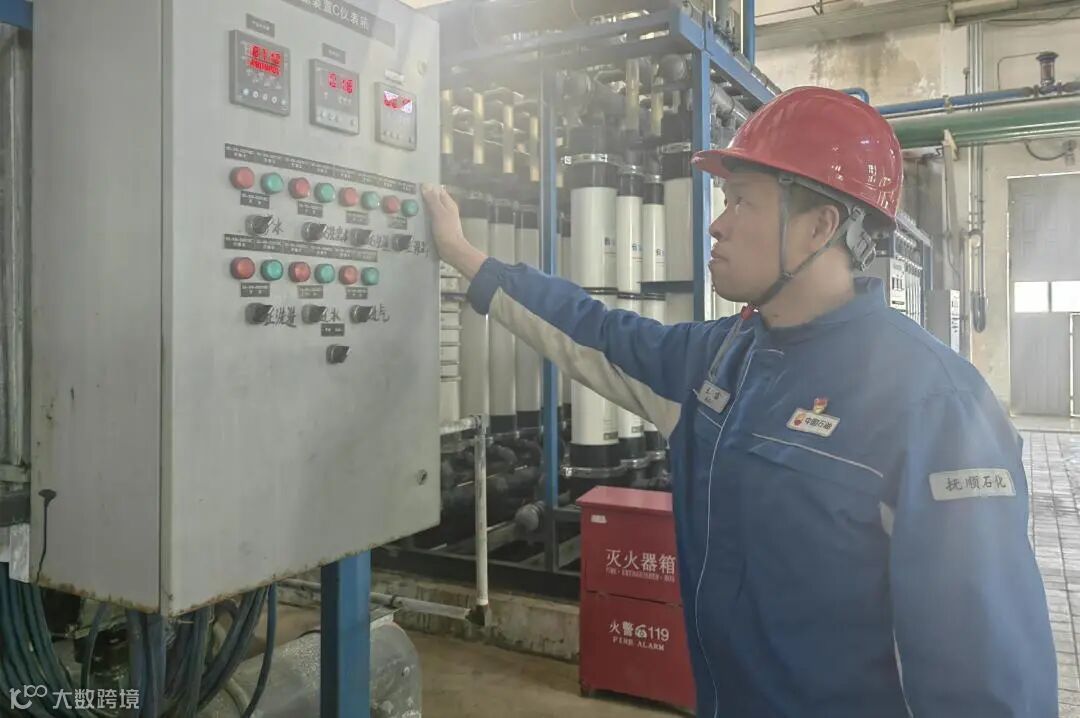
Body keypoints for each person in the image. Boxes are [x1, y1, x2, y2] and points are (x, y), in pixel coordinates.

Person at [423, 86, 1056, 717]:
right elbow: (592, 330)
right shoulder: (719, 359)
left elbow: (990, 680)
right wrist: (465, 257)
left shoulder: (935, 405)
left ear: (820, 226)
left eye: (743, 201)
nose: (717, 224)